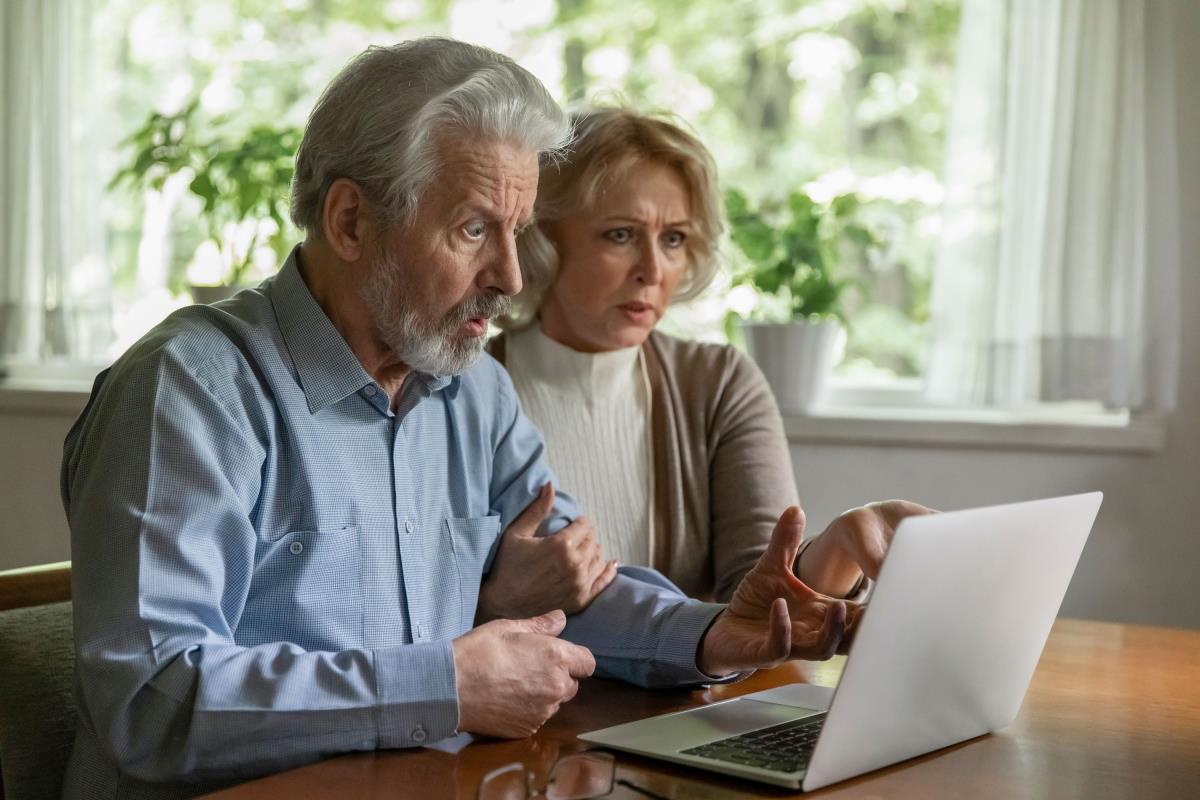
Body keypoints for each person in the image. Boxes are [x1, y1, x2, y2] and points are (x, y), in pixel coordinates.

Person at [60, 40, 859, 799]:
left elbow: (577, 595)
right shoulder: (190, 389)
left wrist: (715, 636)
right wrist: (445, 686)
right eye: (474, 228)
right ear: (349, 222)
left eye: (516, 231)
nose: (510, 275)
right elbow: (151, 699)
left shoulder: (473, 391)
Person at [483, 108, 932, 615]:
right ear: (541, 240)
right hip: (521, 691)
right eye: (621, 235)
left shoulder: (720, 383)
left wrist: (841, 548)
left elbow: (762, 597)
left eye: (673, 239)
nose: (652, 270)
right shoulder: (460, 392)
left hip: (692, 694)